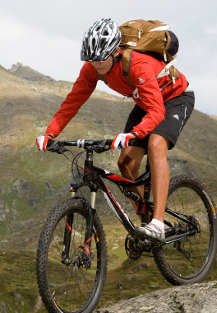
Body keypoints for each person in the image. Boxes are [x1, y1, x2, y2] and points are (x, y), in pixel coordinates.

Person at [36, 18, 195, 241]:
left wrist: (135, 134)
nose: (97, 64)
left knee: (156, 145)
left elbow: (157, 111)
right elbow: (74, 100)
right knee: (126, 164)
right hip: (145, 101)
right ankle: (147, 218)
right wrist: (50, 133)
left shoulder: (137, 64)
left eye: (102, 59)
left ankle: (158, 223)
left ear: (115, 52)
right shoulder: (92, 68)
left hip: (174, 99)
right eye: (92, 60)